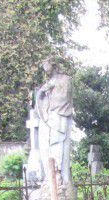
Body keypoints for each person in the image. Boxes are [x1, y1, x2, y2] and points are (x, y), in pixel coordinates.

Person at [34, 59, 74, 187]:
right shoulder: (48, 82)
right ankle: (50, 177)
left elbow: (64, 98)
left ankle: (59, 176)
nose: (47, 74)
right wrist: (42, 92)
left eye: (49, 70)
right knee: (46, 147)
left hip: (58, 116)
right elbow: (40, 102)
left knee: (57, 144)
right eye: (46, 72)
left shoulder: (65, 79)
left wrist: (51, 96)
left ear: (55, 67)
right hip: (48, 118)